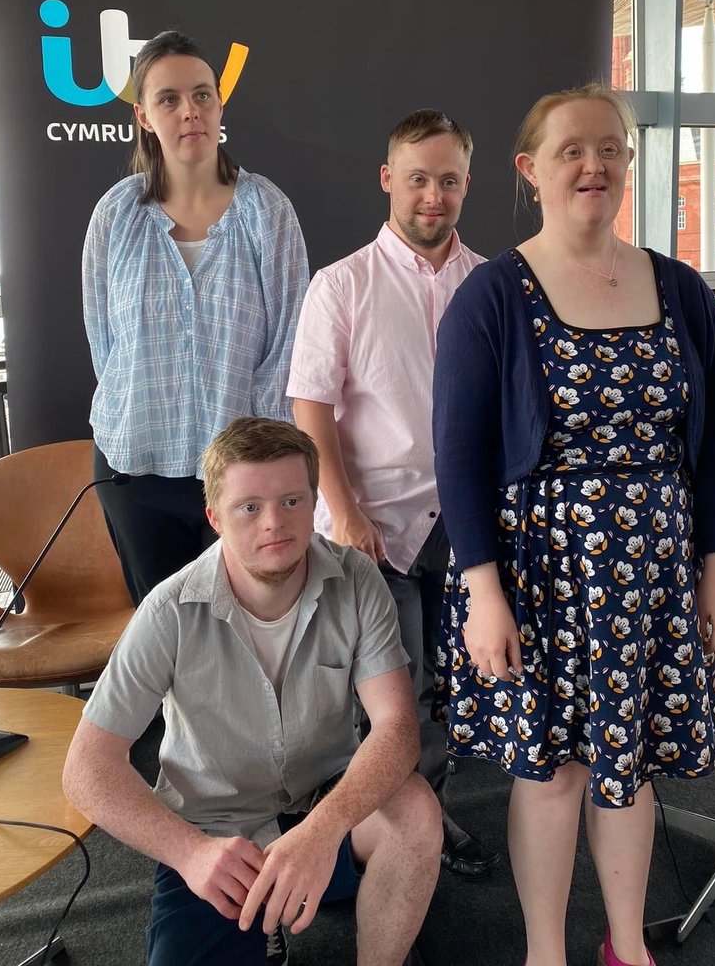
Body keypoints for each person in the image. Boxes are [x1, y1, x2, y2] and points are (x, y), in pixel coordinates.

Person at [431, 84, 715, 966]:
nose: (593, 165)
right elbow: (459, 458)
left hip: (651, 575)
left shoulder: (680, 288)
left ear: (628, 163)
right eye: (570, 150)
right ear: (530, 169)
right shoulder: (492, 296)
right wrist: (483, 592)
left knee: (628, 766)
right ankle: (545, 952)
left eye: (609, 148)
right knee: (554, 774)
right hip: (539, 577)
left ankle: (626, 947)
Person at [62, 416, 441, 966]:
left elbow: (398, 729)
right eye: (249, 507)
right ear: (214, 518)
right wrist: (191, 854)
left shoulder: (358, 579)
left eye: (291, 501)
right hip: (217, 837)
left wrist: (322, 830)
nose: (274, 523)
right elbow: (86, 769)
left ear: (314, 502)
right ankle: (266, 912)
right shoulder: (168, 611)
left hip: (326, 807)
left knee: (416, 810)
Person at [287, 108, 497, 878]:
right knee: (389, 697)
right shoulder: (341, 284)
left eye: (448, 180)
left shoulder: (492, 283)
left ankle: (422, 824)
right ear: (387, 180)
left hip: (467, 525)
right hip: (374, 527)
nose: (433, 196)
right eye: (417, 179)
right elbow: (311, 407)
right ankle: (371, 834)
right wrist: (344, 512)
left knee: (447, 691)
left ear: (467, 184)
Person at [82, 30, 309, 605]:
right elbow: (104, 344)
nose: (190, 111)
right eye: (169, 98)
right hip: (134, 471)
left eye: (202, 95)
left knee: (246, 629)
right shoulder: (116, 215)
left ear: (219, 104)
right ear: (143, 116)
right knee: (162, 632)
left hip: (242, 479)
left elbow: (288, 345)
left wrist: (255, 461)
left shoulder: (266, 210)